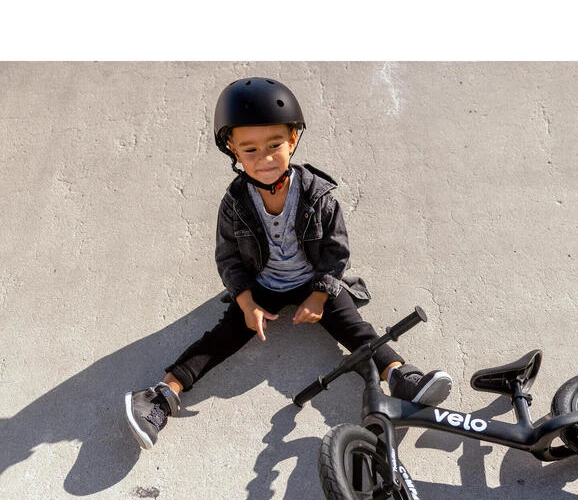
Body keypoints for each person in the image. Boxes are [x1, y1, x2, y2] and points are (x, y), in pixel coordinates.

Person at [125, 77, 452, 450]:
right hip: (262, 285)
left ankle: (401, 376)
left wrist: (319, 295)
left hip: (314, 279)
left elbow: (336, 252)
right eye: (250, 149)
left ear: (293, 139)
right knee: (222, 337)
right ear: (232, 149)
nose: (264, 159)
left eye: (274, 145)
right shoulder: (235, 203)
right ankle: (160, 396)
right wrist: (246, 303)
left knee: (354, 327)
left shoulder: (318, 195)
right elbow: (228, 258)